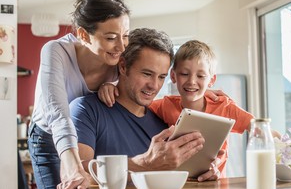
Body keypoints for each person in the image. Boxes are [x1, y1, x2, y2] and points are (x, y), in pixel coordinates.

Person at [28, 0, 130, 189]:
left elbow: (145, 85)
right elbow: (58, 115)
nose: (122, 47)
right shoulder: (55, 52)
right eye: (111, 37)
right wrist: (73, 167)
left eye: (126, 35)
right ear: (83, 35)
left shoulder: (118, 59)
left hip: (87, 135)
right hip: (47, 138)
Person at [69, 28, 206, 179]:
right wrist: (146, 164)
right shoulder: (86, 110)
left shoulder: (164, 121)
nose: (154, 86)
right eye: (147, 74)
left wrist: (204, 173)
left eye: (161, 77)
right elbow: (79, 172)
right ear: (123, 66)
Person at [148, 40, 256, 179]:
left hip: (216, 186)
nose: (192, 81)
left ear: (211, 80)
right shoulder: (165, 105)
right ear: (174, 76)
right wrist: (111, 86)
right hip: (179, 185)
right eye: (184, 74)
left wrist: (287, 149)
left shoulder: (224, 106)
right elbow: (133, 104)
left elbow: (257, 126)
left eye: (200, 76)